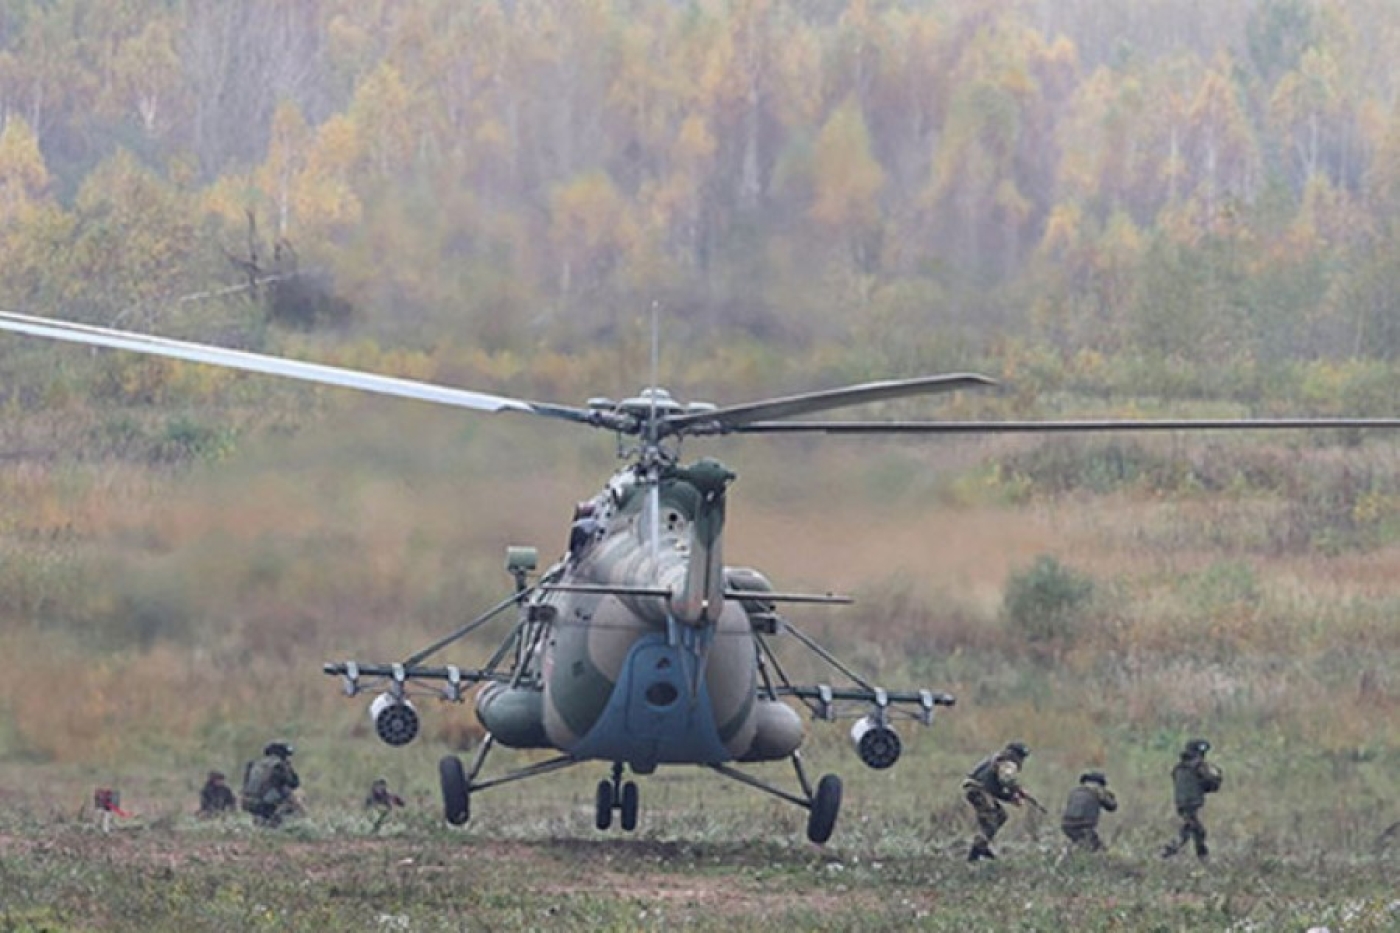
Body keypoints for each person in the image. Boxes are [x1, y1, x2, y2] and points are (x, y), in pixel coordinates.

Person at [962, 741, 1037, 862]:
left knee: (1001, 816)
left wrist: (1011, 798)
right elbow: (1006, 780)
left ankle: (982, 846)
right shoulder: (1009, 762)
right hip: (979, 790)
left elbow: (994, 787)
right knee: (991, 821)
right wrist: (1017, 791)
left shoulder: (996, 759)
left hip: (976, 789)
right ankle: (974, 855)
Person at [1161, 738, 1223, 861]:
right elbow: (1211, 783)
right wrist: (1217, 775)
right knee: (1194, 830)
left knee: (1193, 829)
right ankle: (1170, 851)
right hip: (1192, 803)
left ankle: (1201, 856)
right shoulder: (1199, 766)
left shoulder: (1179, 768)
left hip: (1181, 803)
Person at [241, 741, 302, 827]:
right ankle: (275, 824)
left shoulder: (254, 764)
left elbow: (246, 785)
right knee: (292, 799)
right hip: (265, 803)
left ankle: (261, 824)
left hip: (248, 802)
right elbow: (294, 783)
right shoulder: (279, 765)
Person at [1060, 770, 1118, 851]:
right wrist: (1109, 795)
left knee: (1079, 844)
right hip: (1083, 826)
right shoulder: (1098, 793)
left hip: (1066, 825)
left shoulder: (1075, 792)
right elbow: (1112, 806)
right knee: (1097, 849)